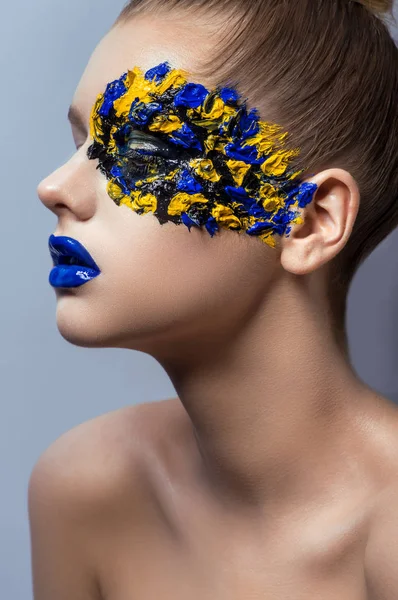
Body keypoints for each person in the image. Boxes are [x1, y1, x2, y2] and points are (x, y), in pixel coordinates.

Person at [29, 0, 398, 598]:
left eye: (142, 148)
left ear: (307, 221)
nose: (55, 188)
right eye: (80, 142)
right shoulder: (83, 490)